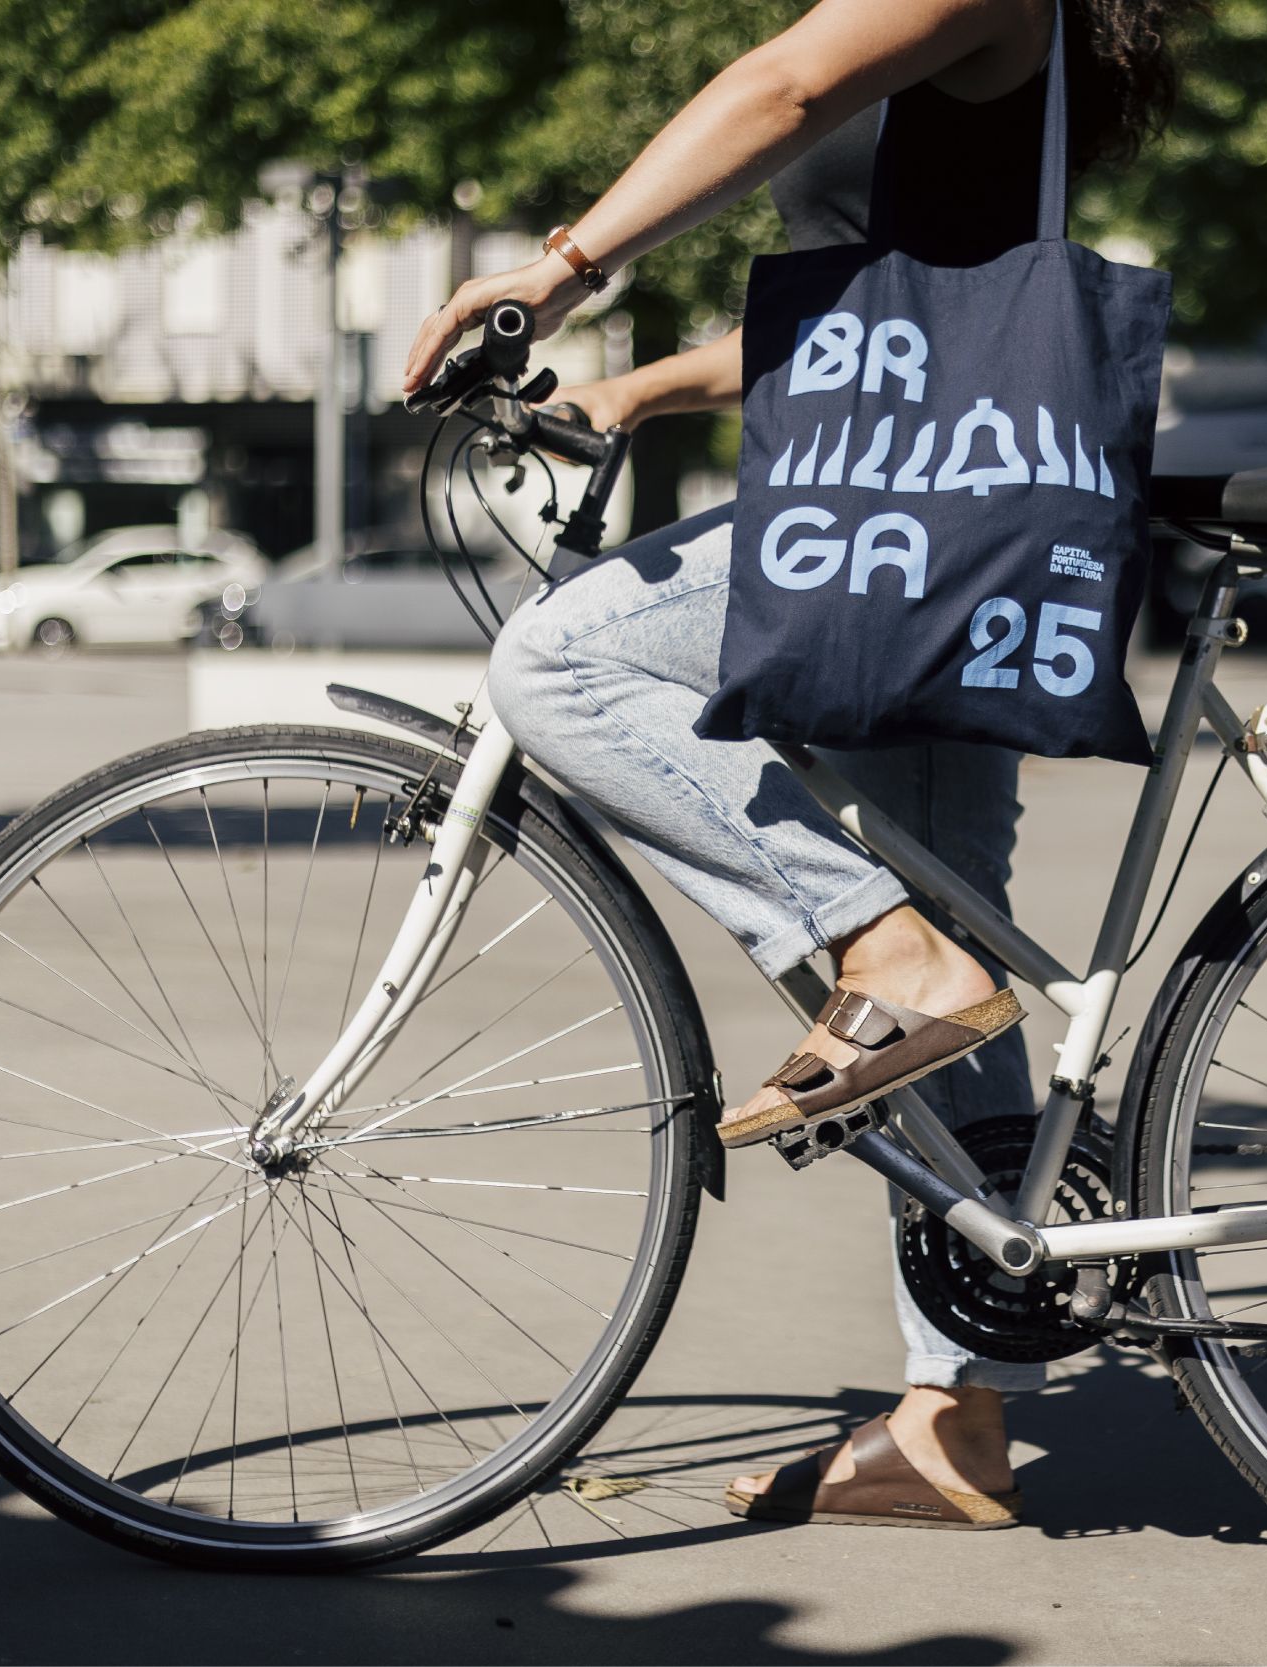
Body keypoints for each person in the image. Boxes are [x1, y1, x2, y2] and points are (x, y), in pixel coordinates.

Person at [402, 0, 1184, 1532]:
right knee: (963, 948)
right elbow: (905, 310)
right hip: (939, 505)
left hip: (911, 529)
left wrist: (556, 272)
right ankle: (954, 1420)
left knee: (559, 659)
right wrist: (638, 390)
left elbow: (784, 87)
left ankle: (878, 951)